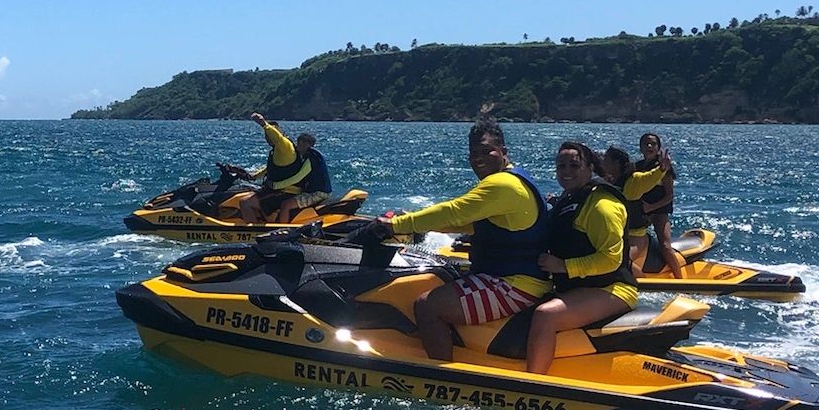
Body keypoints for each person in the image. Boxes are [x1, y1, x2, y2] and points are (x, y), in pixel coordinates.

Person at [361, 116, 551, 362]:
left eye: (486, 151)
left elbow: (453, 210)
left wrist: (396, 224)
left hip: (514, 286)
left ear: (504, 152)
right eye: (473, 153)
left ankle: (439, 374)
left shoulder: (502, 185)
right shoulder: (514, 179)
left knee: (427, 306)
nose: (478, 158)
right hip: (513, 277)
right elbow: (466, 222)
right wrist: (417, 222)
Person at [526, 140, 640, 374]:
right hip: (583, 287)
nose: (566, 172)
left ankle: (532, 382)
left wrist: (563, 266)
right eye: (561, 166)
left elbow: (611, 259)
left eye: (574, 166)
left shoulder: (602, 206)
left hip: (612, 290)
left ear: (589, 168)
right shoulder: (571, 198)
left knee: (545, 316)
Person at [223, 113, 331, 225]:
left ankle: (269, 231)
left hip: (306, 192)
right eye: (299, 142)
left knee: (246, 202)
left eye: (270, 134)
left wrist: (263, 124)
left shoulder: (287, 147)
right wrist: (250, 175)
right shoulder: (284, 151)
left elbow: (298, 177)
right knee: (247, 196)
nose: (268, 138)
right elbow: (270, 168)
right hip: (286, 190)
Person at [602, 145, 671, 278]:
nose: (603, 162)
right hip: (618, 236)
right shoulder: (609, 182)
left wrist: (662, 168)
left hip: (636, 237)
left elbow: (651, 176)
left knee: (621, 262)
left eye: (606, 159)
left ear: (616, 163)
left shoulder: (634, 180)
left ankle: (644, 285)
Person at [633, 132, 687, 278]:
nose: (649, 146)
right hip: (642, 213)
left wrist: (651, 207)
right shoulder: (636, 167)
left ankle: (680, 280)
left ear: (658, 148)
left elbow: (669, 196)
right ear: (640, 148)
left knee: (665, 246)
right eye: (645, 143)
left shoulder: (664, 168)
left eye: (653, 144)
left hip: (659, 212)